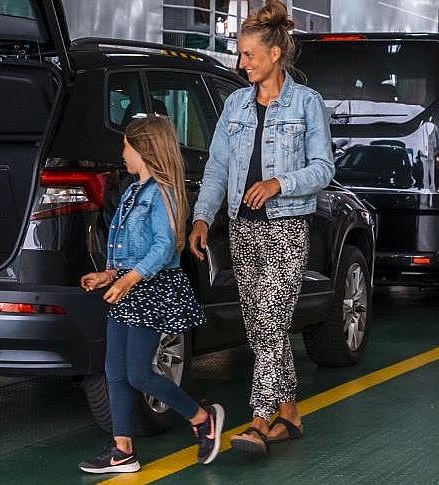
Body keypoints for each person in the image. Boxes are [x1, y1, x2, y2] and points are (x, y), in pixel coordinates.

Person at [188, 0, 334, 457]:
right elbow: (216, 168)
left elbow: (324, 168)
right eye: (240, 53)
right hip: (242, 230)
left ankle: (258, 420)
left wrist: (278, 183)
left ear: (274, 54)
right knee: (260, 330)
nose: (241, 62)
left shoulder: (307, 104)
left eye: (248, 54)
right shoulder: (234, 105)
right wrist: (202, 216)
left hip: (286, 228)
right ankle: (289, 414)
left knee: (271, 326)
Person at [78, 116, 225, 474]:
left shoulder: (164, 192)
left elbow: (165, 247)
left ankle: (203, 417)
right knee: (114, 371)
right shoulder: (130, 191)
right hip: (127, 286)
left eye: (126, 146)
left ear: (143, 149)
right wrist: (109, 274)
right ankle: (122, 449)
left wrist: (129, 280)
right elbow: (126, 247)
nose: (122, 152)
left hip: (150, 290)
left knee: (139, 374)